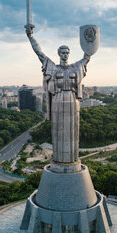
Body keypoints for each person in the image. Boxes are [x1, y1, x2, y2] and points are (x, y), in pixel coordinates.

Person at [26, 27, 91, 164]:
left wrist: (89, 40)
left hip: (73, 100)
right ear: (58, 54)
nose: (65, 55)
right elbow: (40, 53)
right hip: (58, 98)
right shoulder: (53, 68)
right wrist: (31, 37)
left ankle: (73, 160)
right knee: (58, 128)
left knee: (73, 128)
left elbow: (87, 55)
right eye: (62, 52)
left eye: (67, 52)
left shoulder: (76, 67)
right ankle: (59, 159)